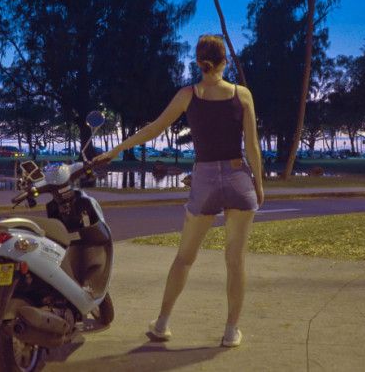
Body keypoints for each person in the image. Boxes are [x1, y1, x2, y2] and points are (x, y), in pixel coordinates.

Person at [93, 35, 263, 347]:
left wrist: (117, 148)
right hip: (240, 178)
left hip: (205, 180)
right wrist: (260, 185)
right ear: (224, 61)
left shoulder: (189, 95)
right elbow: (252, 147)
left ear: (199, 62)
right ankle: (230, 332)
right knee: (235, 261)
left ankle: (162, 324)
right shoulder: (244, 95)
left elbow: (153, 129)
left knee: (185, 258)